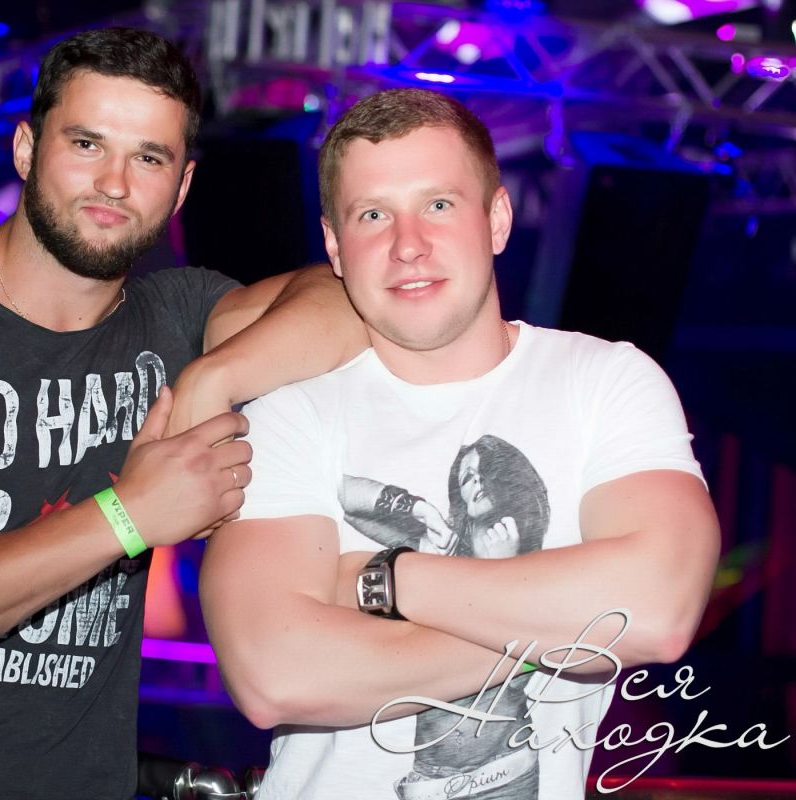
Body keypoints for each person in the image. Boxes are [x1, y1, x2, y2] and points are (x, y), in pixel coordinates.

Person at [0, 27, 365, 800]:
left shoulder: (178, 316)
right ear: (25, 149)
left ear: (181, 186)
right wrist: (130, 515)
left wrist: (213, 377)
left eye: (149, 158)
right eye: (87, 144)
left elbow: (345, 298)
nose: (114, 183)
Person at [200, 88, 720, 799]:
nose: (408, 244)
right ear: (334, 247)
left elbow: (657, 611)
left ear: (497, 219)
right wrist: (565, 635)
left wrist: (382, 579)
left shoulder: (605, 381)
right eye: (373, 215)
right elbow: (275, 675)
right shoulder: (290, 413)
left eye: (439, 204)